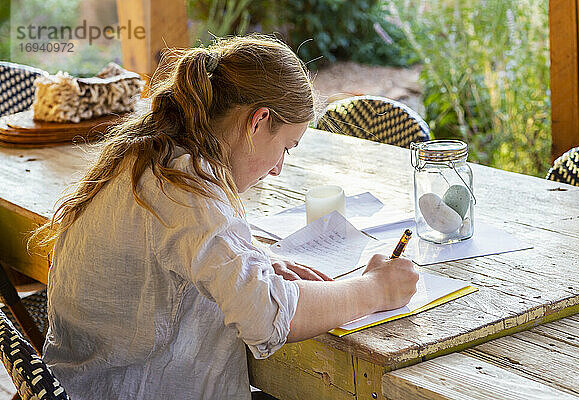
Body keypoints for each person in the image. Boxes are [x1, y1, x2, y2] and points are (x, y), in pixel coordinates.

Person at [31, 35, 418, 400]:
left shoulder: (147, 156)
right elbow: (265, 317)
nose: (279, 168)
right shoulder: (187, 192)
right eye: (285, 146)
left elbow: (179, 259)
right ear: (257, 121)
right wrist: (376, 289)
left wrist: (254, 260)